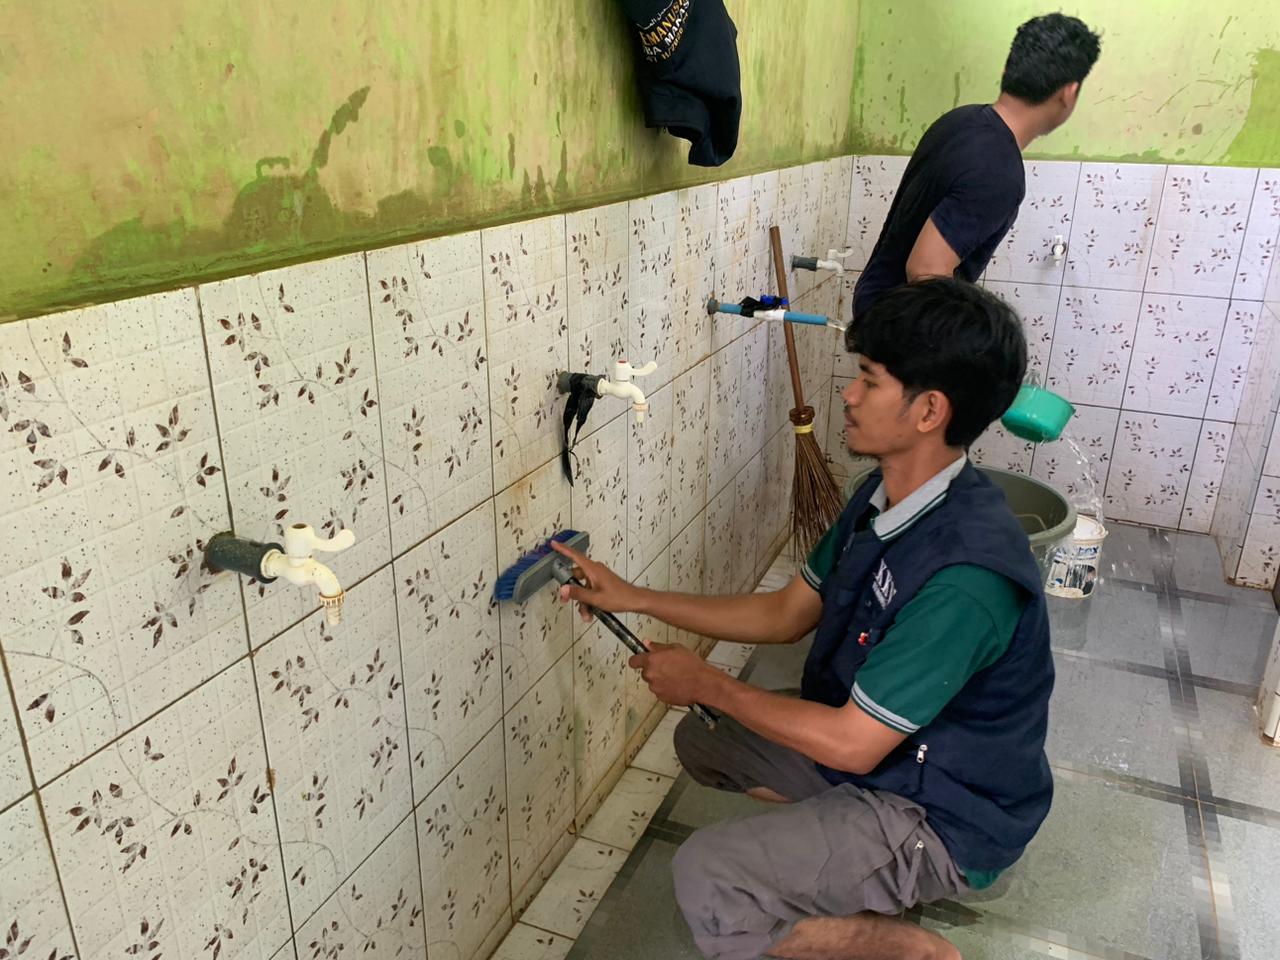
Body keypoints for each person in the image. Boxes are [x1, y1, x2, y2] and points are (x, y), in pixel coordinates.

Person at [552, 278, 1048, 960]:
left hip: (947, 810)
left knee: (710, 877)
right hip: (893, 756)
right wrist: (634, 596)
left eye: (869, 380)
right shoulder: (884, 494)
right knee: (706, 739)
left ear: (929, 410)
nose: (848, 394)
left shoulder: (966, 578)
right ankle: (848, 857)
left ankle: (900, 938)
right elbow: (786, 612)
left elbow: (852, 744)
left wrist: (707, 681)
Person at [852, 13, 1101, 321]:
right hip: (901, 330)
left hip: (878, 306)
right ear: (1069, 92)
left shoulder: (960, 120)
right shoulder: (999, 171)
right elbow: (925, 271)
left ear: (1007, 70)